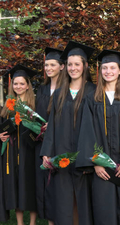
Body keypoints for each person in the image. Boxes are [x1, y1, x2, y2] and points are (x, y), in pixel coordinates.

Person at [76, 49, 120, 225]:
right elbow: (87, 132)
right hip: (102, 168)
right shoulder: (91, 98)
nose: (108, 71)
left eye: (112, 68)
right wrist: (96, 163)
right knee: (104, 212)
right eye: (104, 68)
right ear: (100, 71)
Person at [40, 41, 96, 225]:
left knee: (84, 201)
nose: (73, 68)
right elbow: (52, 126)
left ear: (85, 66)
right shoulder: (59, 93)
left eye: (77, 64)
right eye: (70, 64)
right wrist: (47, 152)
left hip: (85, 157)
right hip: (62, 154)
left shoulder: (93, 92)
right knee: (64, 201)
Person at [0, 65, 37, 225]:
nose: (18, 87)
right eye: (15, 83)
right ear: (11, 85)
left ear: (28, 85)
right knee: (16, 186)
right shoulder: (7, 107)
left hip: (30, 151)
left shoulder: (35, 105)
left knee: (31, 185)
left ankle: (32, 222)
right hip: (12, 152)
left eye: (22, 83)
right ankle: (20, 222)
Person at [35, 47, 64, 225]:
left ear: (62, 66)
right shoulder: (42, 89)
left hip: (61, 143)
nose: (49, 68)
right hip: (43, 143)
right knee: (46, 185)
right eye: (46, 65)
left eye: (52, 64)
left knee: (60, 185)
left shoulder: (67, 88)